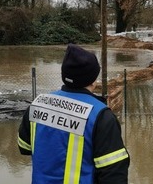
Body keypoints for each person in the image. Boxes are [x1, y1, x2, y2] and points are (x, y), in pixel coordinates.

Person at [18, 44, 130, 184]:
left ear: (64, 75)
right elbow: (114, 175)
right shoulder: (101, 116)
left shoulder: (37, 104)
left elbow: (24, 147)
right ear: (93, 80)